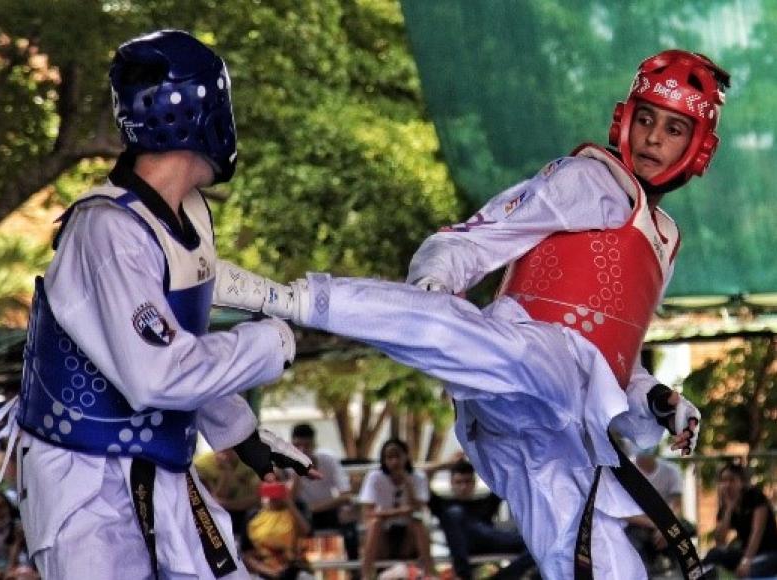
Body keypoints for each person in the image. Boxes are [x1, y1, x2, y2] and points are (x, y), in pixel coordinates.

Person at [213, 49, 728, 579]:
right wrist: (434, 287)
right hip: (527, 359)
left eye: (672, 129)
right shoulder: (588, 180)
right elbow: (470, 240)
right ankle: (281, 298)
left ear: (698, 148)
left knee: (605, 563)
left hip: (556, 434)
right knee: (493, 344)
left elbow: (614, 368)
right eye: (646, 119)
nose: (652, 138)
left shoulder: (664, 242)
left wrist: (659, 401)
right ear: (625, 118)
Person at [9, 29, 319, 579]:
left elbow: (182, 342)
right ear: (204, 112)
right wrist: (269, 342)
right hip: (86, 483)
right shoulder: (106, 231)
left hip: (159, 467)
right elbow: (160, 376)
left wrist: (240, 433)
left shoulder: (185, 218)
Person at [425, 454, 534, 580]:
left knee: (536, 545)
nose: (463, 487)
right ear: (451, 483)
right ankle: (463, 575)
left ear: (474, 483)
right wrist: (447, 464)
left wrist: (478, 460)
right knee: (454, 513)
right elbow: (423, 475)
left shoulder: (484, 503)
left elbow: (508, 475)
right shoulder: (442, 505)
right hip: (463, 544)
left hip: (489, 540)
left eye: (467, 482)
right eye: (459, 482)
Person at [358, 438, 436, 580]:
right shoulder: (374, 477)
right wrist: (400, 512)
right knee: (375, 523)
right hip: (383, 536)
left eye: (398, 456)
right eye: (389, 457)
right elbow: (368, 512)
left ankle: (429, 574)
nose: (394, 462)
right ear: (384, 460)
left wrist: (407, 482)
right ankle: (365, 575)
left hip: (408, 536)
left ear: (406, 456)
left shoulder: (418, 477)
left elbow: (418, 508)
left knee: (418, 522)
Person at [289, 423, 361, 564]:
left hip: (327, 511)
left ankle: (355, 569)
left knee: (347, 517)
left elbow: (345, 495)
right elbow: (289, 501)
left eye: (306, 446)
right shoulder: (286, 465)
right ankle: (293, 567)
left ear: (314, 445)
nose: (302, 450)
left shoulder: (328, 460)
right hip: (303, 515)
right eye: (297, 446)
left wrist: (316, 507)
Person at [623, 446, 693, 574]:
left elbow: (676, 506)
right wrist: (656, 525)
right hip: (637, 527)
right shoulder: (624, 471)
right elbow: (622, 513)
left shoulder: (672, 471)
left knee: (685, 533)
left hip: (668, 524)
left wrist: (667, 528)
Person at [702, 463, 777, 578]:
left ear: (741, 482)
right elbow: (719, 541)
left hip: (769, 553)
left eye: (732, 480)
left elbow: (757, 532)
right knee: (713, 555)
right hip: (746, 552)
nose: (727, 485)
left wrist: (746, 561)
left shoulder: (755, 497)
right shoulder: (726, 505)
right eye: (723, 481)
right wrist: (729, 509)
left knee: (750, 571)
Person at [242, 479, 314, 580]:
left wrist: (288, 502)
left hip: (297, 570)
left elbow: (306, 532)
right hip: (266, 571)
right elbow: (247, 554)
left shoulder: (298, 507)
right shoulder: (253, 515)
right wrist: (271, 573)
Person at [195, 447, 262, 546]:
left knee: (256, 514)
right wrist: (226, 472)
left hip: (245, 511)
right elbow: (212, 502)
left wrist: (227, 504)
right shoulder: (201, 465)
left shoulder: (250, 461)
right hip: (215, 512)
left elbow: (258, 498)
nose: (226, 452)